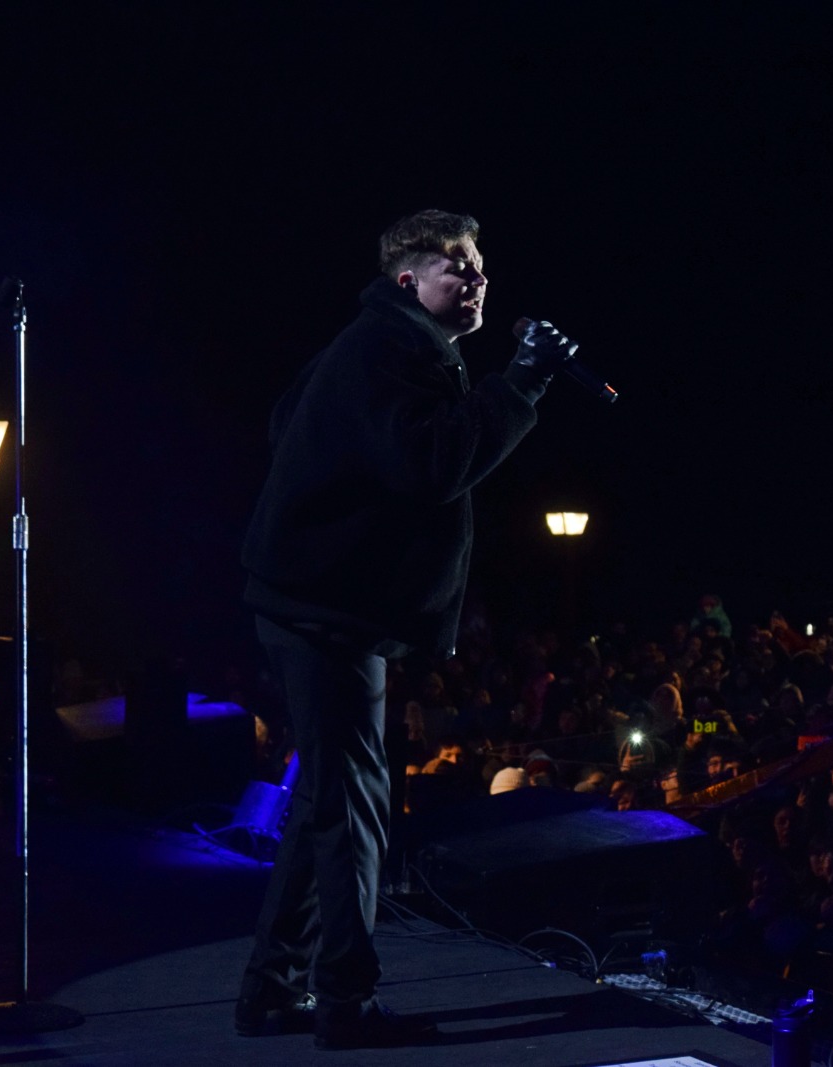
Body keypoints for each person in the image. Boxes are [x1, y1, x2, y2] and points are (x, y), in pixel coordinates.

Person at [234, 209, 575, 1049]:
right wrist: (522, 383)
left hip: (319, 602)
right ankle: (343, 1001)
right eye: (456, 264)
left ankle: (273, 990)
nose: (477, 276)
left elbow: (286, 420)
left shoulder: (377, 342)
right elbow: (435, 464)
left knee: (328, 795)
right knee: (355, 806)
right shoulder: (390, 346)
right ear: (407, 280)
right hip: (328, 612)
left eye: (480, 263)